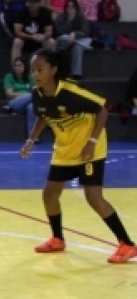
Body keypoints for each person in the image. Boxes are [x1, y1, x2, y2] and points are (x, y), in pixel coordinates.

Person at [21, 48, 136, 263]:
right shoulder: (38, 94)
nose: (35, 75)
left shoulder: (71, 91)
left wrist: (92, 142)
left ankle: (127, 244)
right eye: (32, 70)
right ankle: (57, 239)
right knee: (49, 194)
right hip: (65, 149)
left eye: (39, 69)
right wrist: (31, 140)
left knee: (94, 198)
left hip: (89, 149)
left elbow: (102, 110)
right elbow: (44, 116)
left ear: (53, 70)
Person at [11, 0, 56, 66]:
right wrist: (31, 37)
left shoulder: (45, 12)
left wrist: (43, 36)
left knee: (51, 42)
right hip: (25, 39)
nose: (33, 5)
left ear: (39, 3)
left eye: (35, 2)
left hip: (40, 39)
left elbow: (50, 31)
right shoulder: (21, 12)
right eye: (30, 2)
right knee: (17, 42)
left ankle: (50, 68)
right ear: (27, 3)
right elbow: (17, 31)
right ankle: (16, 69)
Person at [53, 0, 91, 80]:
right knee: (64, 37)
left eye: (72, 6)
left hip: (76, 41)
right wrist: (70, 20)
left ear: (76, 7)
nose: (70, 8)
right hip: (63, 41)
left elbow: (85, 32)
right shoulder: (61, 16)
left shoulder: (81, 17)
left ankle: (76, 73)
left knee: (78, 47)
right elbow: (60, 31)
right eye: (68, 6)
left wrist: (74, 34)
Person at [3, 57, 36, 136]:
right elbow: (9, 93)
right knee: (32, 96)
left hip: (27, 104)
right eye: (15, 66)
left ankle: (32, 135)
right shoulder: (9, 77)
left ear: (24, 67)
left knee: (32, 107)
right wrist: (26, 95)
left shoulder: (30, 78)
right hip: (14, 103)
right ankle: (11, 110)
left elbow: (36, 91)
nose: (17, 68)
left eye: (20, 65)